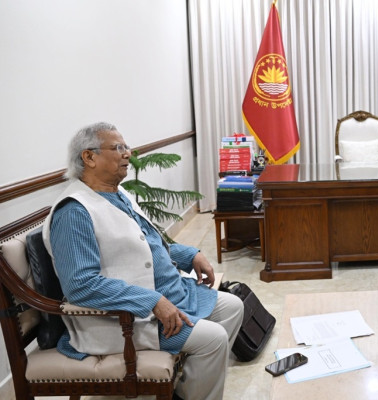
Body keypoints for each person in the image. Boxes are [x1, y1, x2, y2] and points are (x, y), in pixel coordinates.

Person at [42, 122, 244, 400]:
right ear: (89, 157)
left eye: (126, 147)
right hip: (127, 320)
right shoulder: (74, 212)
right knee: (213, 339)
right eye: (118, 148)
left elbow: (145, 245)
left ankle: (185, 389)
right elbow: (80, 285)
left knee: (233, 307)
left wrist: (190, 255)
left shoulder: (117, 194)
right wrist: (151, 301)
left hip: (172, 296)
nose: (128, 153)